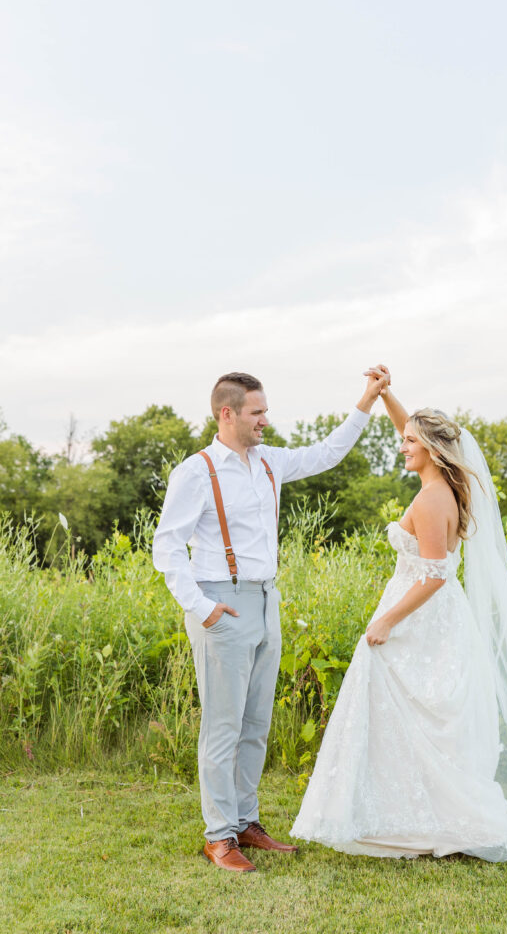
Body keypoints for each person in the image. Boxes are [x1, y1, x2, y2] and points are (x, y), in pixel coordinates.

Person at [291, 366, 507, 862]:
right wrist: (386, 395)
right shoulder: (443, 485)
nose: (401, 445)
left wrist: (387, 619)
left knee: (410, 712)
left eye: (410, 442)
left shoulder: (433, 499)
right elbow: (409, 428)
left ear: (431, 451)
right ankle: (409, 812)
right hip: (434, 614)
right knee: (411, 716)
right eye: (404, 437)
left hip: (419, 614)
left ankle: (431, 818)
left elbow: (435, 574)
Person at [153, 369, 385, 873]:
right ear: (227, 413)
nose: (265, 420)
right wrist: (202, 607)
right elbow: (166, 548)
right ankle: (219, 837)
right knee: (222, 726)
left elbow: (326, 453)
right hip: (221, 602)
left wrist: (365, 400)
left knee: (256, 722)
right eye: (257, 412)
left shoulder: (270, 462)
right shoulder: (196, 472)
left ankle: (245, 821)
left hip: (265, 599)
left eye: (265, 411)